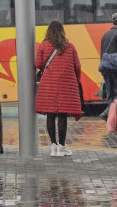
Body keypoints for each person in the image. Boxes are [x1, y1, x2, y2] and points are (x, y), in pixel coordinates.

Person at [35, 20, 83, 157]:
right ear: (62, 31)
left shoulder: (44, 45)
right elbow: (77, 67)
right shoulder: (70, 46)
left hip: (48, 84)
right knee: (62, 115)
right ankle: (62, 146)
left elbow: (38, 64)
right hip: (65, 85)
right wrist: (76, 80)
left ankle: (53, 146)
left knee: (51, 115)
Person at [98, 12, 117, 121]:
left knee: (111, 95)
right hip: (116, 69)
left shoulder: (105, 35)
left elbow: (102, 53)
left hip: (106, 69)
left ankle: (112, 119)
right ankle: (107, 113)